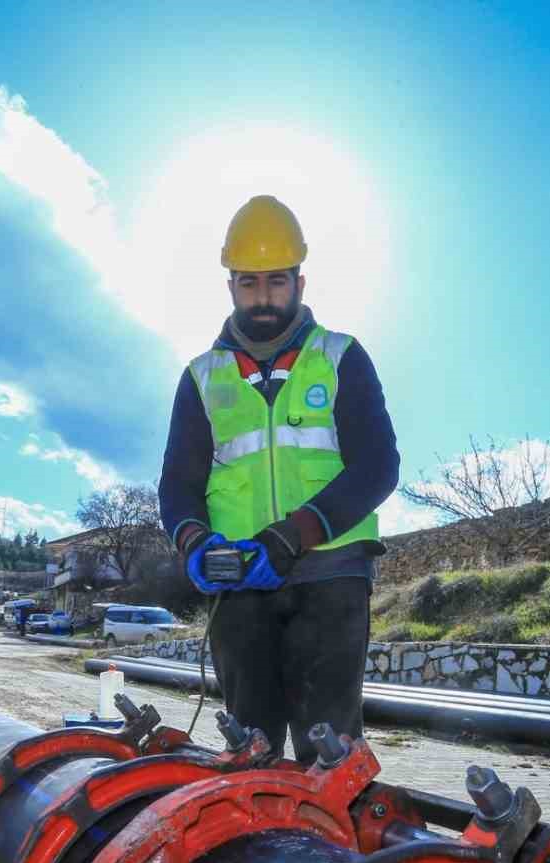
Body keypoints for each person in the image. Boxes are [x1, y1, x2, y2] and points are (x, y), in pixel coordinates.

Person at [157, 194, 399, 764]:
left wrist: (293, 536)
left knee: (329, 750)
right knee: (250, 748)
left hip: (331, 575)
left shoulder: (340, 358)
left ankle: (335, 851)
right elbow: (177, 485)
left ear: (300, 281)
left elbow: (378, 466)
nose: (262, 298)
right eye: (248, 283)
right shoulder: (201, 377)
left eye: (276, 282)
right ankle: (258, 849)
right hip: (240, 581)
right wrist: (194, 543)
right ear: (230, 285)